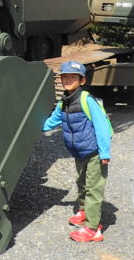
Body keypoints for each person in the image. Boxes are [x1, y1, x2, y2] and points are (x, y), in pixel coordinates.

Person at [43, 60, 113, 243]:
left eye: (72, 77)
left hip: (94, 152)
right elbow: (52, 121)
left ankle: (92, 228)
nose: (67, 80)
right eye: (64, 77)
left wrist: (105, 153)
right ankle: (84, 211)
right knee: (81, 183)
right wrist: (34, 127)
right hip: (79, 152)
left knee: (93, 189)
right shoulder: (64, 102)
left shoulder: (86, 100)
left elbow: (102, 126)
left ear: (82, 80)